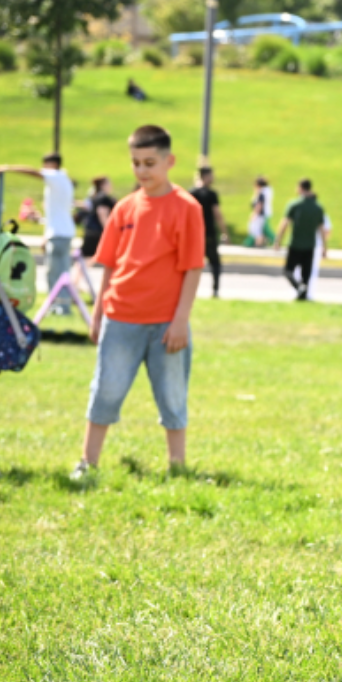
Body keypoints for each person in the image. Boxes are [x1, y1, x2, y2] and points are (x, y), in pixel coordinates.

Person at [72, 125, 203, 483]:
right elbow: (111, 266)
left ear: (169, 161)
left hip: (166, 325)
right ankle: (87, 463)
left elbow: (193, 268)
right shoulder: (124, 208)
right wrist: (98, 315)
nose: (142, 171)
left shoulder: (187, 208)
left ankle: (177, 467)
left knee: (173, 396)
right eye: (135, 163)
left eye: (149, 163)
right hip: (121, 319)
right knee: (106, 390)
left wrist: (180, 322)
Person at [0, 153, 75, 314]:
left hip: (59, 234)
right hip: (62, 232)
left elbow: (33, 172)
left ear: (52, 164)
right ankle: (62, 306)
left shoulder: (55, 175)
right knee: (62, 272)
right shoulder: (64, 179)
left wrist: (8, 168)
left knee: (55, 273)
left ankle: (59, 308)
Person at [274, 178, 326, 301]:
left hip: (295, 244)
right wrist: (325, 246)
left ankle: (299, 289)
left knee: (288, 271)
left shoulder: (295, 205)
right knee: (305, 275)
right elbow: (322, 229)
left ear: (300, 188)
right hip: (310, 245)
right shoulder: (317, 207)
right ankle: (302, 294)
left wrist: (278, 240)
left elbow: (284, 224)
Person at [190, 167, 227, 299]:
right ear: (205, 176)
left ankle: (189, 291)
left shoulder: (191, 192)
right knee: (215, 263)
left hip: (194, 235)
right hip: (209, 233)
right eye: (211, 175)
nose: (213, 178)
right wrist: (224, 232)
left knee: (191, 264)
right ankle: (215, 290)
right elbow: (218, 214)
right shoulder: (211, 194)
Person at [79, 175, 116, 265]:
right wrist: (108, 230)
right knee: (89, 257)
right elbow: (102, 213)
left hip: (91, 230)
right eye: (109, 183)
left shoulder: (95, 196)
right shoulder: (103, 198)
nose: (111, 185)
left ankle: (76, 278)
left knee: (88, 258)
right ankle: (74, 278)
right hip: (97, 231)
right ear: (103, 185)